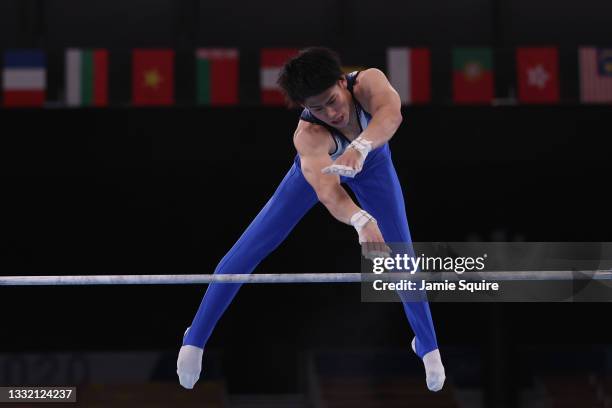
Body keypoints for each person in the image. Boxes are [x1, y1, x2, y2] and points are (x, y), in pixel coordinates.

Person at [177, 47, 445, 391]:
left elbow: (391, 115)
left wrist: (360, 148)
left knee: (401, 253)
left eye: (332, 100)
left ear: (341, 82)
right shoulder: (309, 136)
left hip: (374, 165)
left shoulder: (369, 82)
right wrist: (361, 220)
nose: (330, 113)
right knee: (249, 250)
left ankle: (427, 345)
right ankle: (195, 337)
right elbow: (328, 192)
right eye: (317, 108)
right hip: (314, 179)